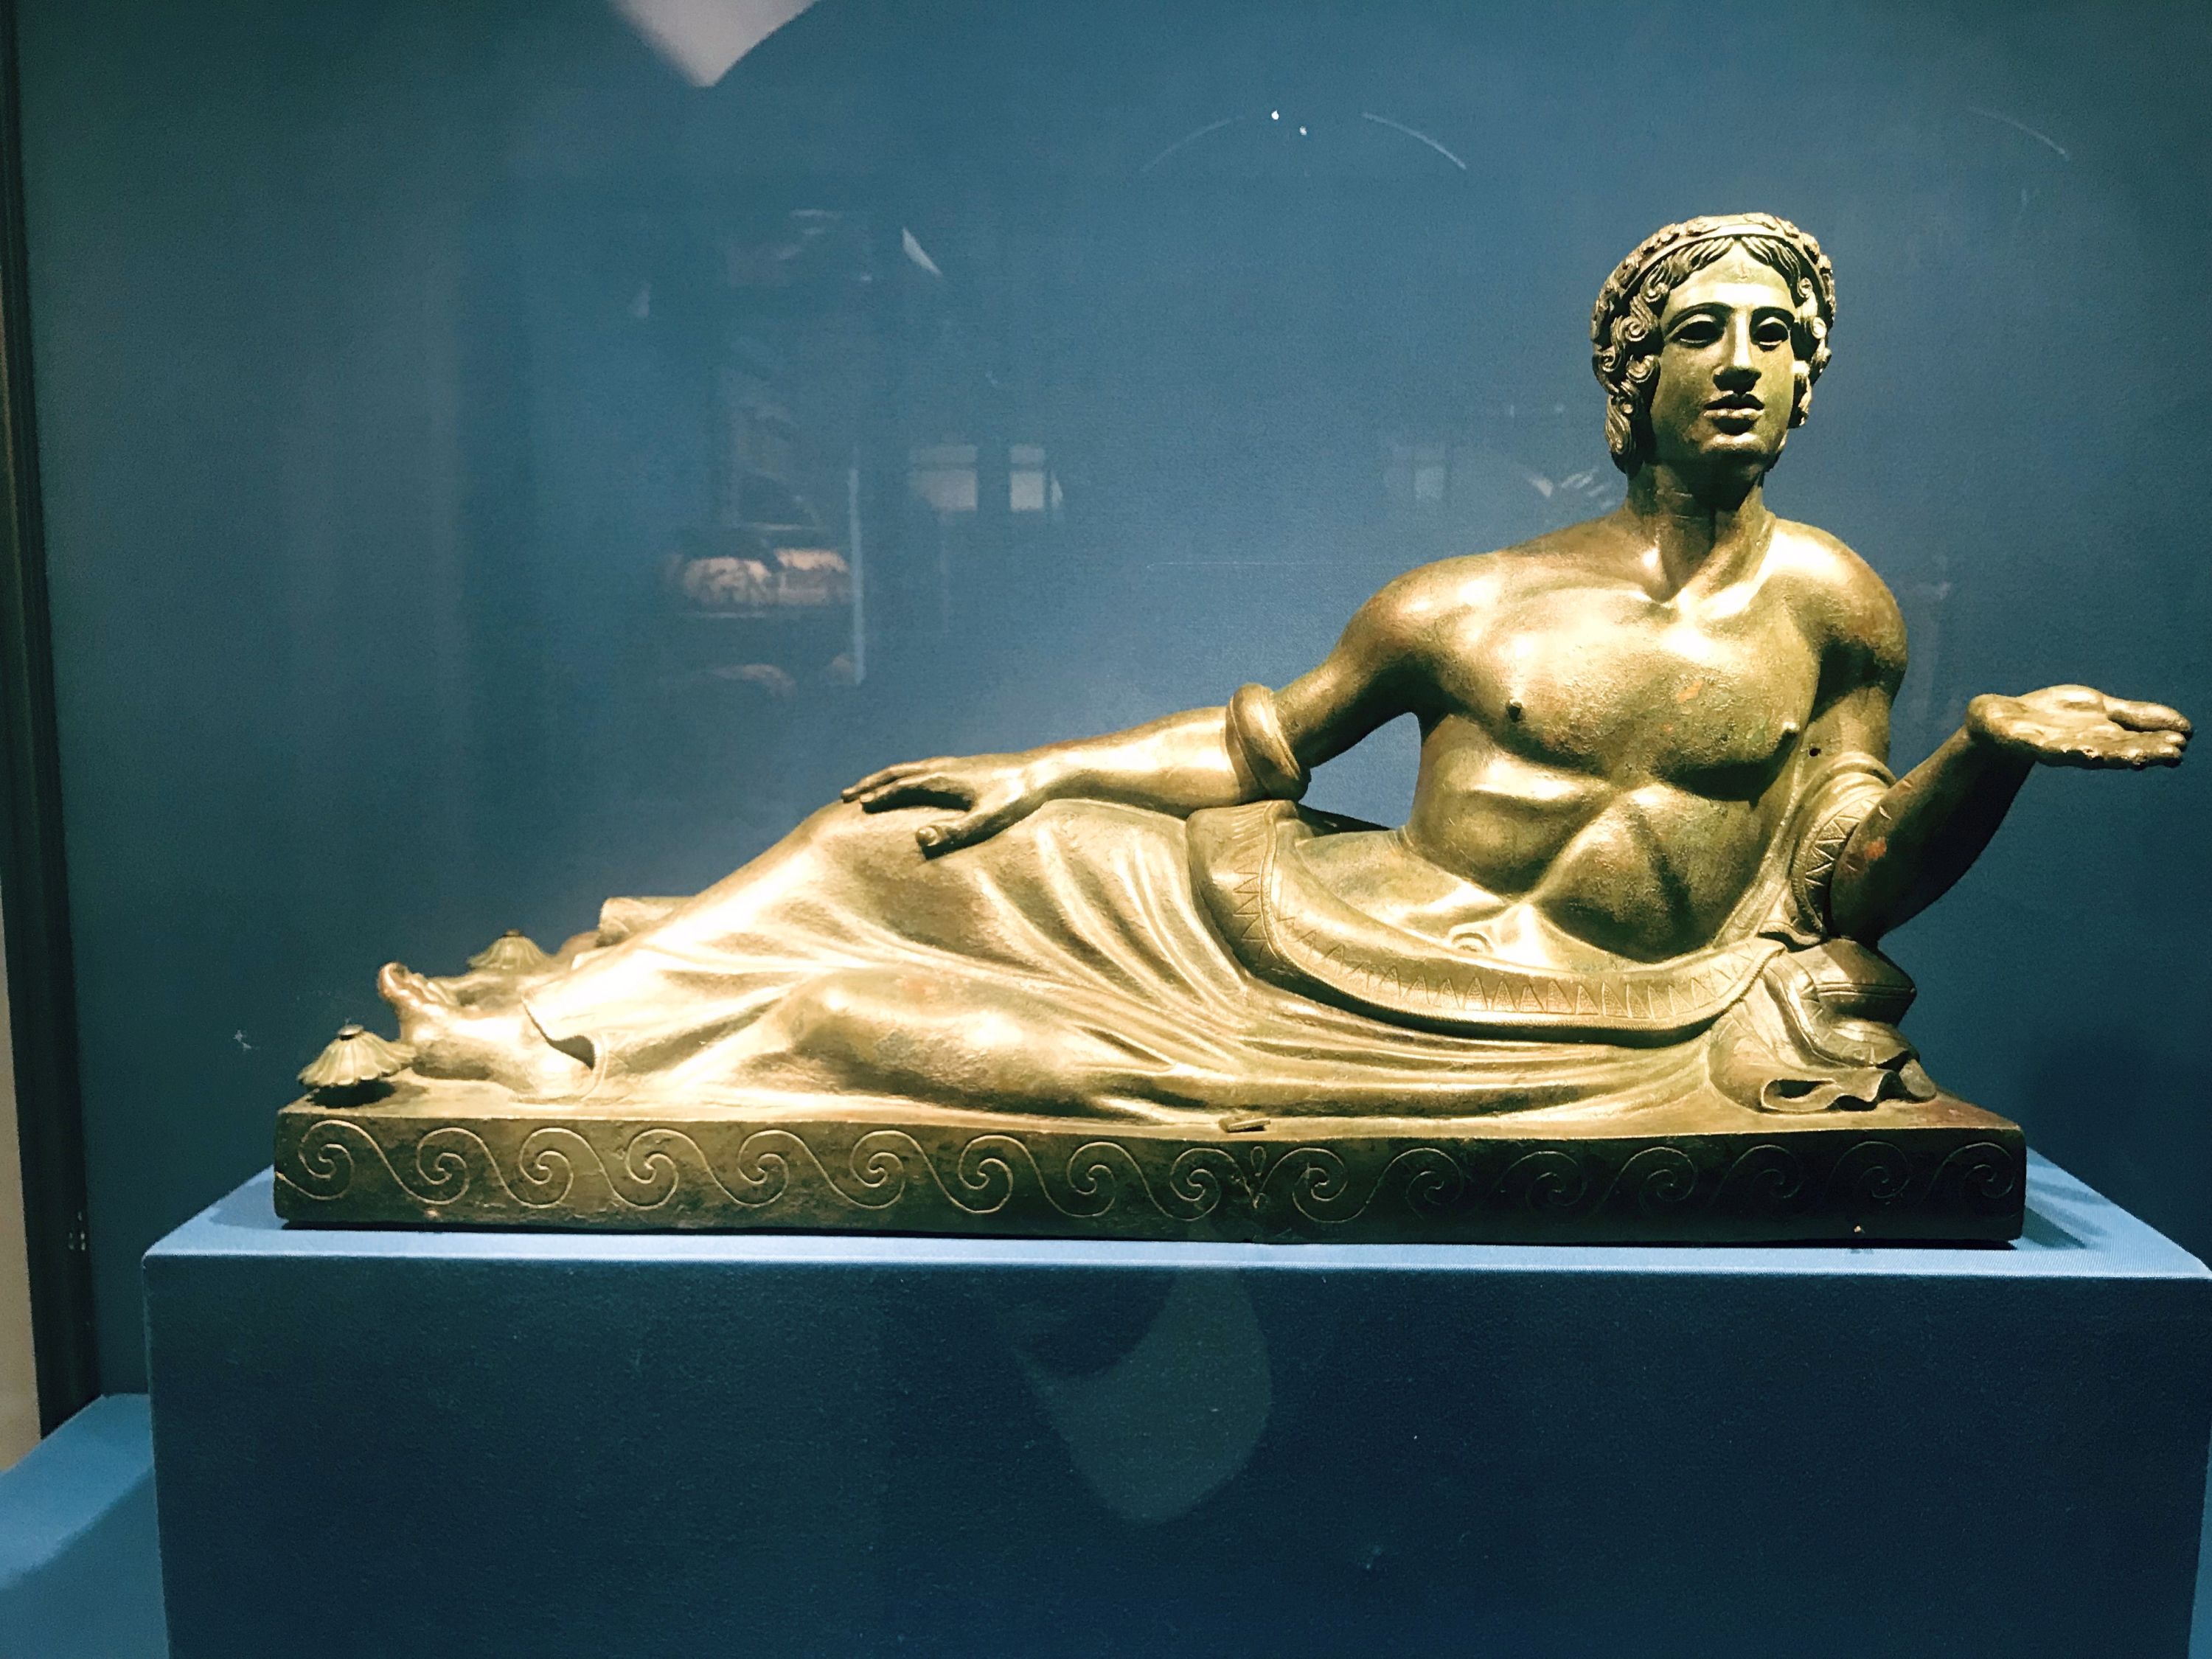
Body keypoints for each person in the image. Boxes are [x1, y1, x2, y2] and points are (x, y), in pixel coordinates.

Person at [377, 213, 2188, 1122]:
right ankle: (554, 1031)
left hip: (1594, 1020)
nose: (1741, 362)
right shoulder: (1469, 599)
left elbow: (1842, 885)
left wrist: (1987, 755)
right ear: (1629, 379)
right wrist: (1036, 774)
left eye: (1776, 336)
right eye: (1701, 331)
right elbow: (1267, 750)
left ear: (1810, 380)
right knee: (895, 843)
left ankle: (629, 1026)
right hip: (1324, 927)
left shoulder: (1838, 608)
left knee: (955, 1019)